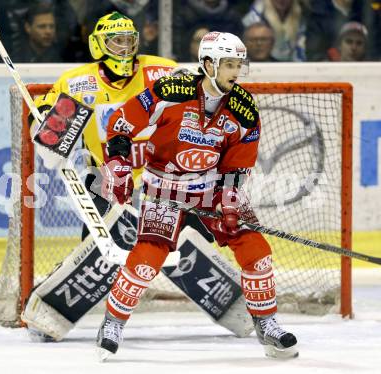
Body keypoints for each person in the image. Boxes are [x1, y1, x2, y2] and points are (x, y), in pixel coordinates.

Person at [22, 12, 253, 343]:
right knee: (104, 248)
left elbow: (199, 102)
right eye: (117, 41)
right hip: (107, 182)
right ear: (98, 45)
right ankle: (50, 312)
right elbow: (46, 120)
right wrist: (44, 125)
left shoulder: (159, 69)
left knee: (189, 244)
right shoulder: (77, 82)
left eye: (131, 39)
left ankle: (238, 305)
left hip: (163, 182)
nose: (125, 47)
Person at [97, 31, 298, 360]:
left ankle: (267, 323)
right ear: (208, 64)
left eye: (239, 65)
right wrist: (117, 163)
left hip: (213, 188)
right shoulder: (170, 91)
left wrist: (229, 200)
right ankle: (113, 323)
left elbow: (238, 164)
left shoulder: (245, 109)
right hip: (165, 185)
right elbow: (121, 122)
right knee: (148, 256)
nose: (236, 71)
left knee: (256, 248)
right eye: (229, 64)